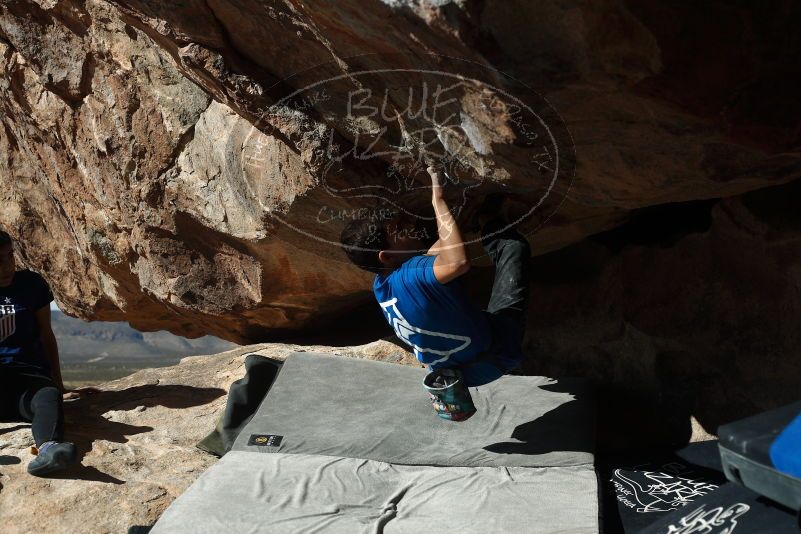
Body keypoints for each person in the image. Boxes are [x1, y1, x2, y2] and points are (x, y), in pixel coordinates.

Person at [340, 166, 531, 419]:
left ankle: (478, 217)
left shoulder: (383, 283)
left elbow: (435, 254)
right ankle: (490, 221)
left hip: (466, 371)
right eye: (400, 230)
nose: (410, 228)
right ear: (386, 257)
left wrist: (459, 216)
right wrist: (438, 201)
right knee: (513, 248)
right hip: (498, 350)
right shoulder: (410, 274)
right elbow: (457, 263)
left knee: (445, 278)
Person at [0, 229, 79, 475]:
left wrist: (59, 384)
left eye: (10, 255)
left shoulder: (31, 284)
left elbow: (47, 336)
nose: (8, 265)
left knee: (47, 395)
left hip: (28, 381)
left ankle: (49, 450)